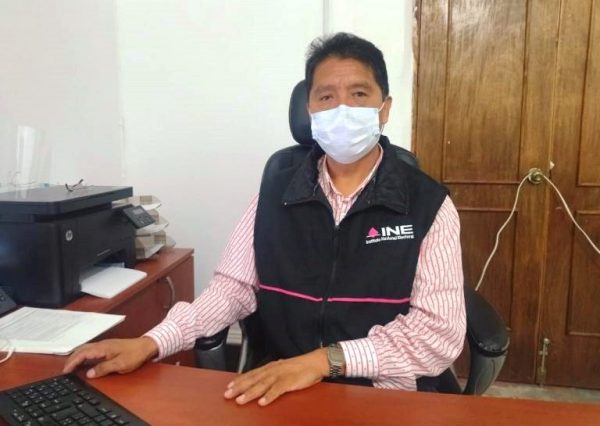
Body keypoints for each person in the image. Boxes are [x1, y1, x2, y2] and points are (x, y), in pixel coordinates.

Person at [64, 32, 466, 407]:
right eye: (326, 96)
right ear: (310, 109)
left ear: (384, 109)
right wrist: (151, 342)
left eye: (358, 94)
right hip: (282, 386)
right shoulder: (276, 193)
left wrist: (322, 362)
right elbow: (231, 291)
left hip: (383, 394)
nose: (342, 109)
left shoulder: (428, 204)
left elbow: (438, 335)